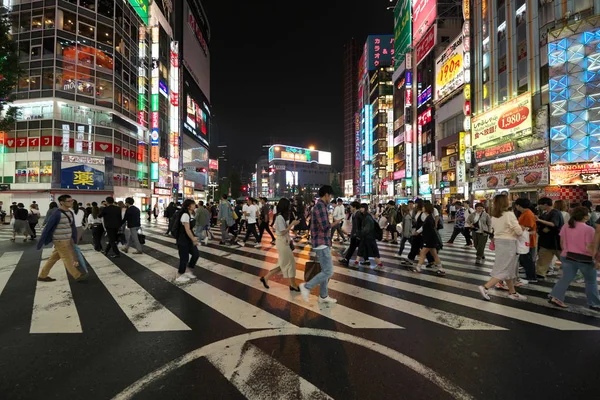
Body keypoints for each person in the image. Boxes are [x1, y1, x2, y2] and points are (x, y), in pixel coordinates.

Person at [549, 206, 600, 311]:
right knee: (590, 281)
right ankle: (594, 303)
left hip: (567, 256)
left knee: (566, 278)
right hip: (584, 258)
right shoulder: (589, 229)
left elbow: (562, 243)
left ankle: (556, 297)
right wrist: (596, 258)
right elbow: (588, 247)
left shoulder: (566, 226)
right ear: (586, 216)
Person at [477, 194, 526, 301]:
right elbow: (518, 231)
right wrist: (522, 228)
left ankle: (512, 292)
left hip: (499, 242)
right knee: (505, 268)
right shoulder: (509, 214)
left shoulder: (494, 216)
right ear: (505, 202)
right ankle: (485, 287)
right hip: (509, 243)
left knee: (509, 268)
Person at [299, 185, 338, 304]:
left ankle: (323, 296)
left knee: (325, 270)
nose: (330, 198)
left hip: (321, 241)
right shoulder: (320, 206)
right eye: (330, 196)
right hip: (322, 242)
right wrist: (335, 223)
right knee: (328, 271)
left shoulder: (320, 206)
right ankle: (307, 287)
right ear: (326, 194)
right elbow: (325, 226)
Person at [36, 194, 87, 282]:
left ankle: (42, 275)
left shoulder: (70, 212)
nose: (71, 202)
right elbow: (48, 227)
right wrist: (41, 241)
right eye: (69, 201)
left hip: (67, 239)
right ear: (61, 202)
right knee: (67, 257)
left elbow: (72, 226)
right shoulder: (57, 213)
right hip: (60, 240)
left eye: (72, 201)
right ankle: (77, 275)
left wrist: (73, 239)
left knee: (53, 258)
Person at [259, 197, 300, 291]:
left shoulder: (281, 216)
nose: (289, 208)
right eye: (288, 206)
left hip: (284, 241)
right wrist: (292, 224)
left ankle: (265, 278)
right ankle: (293, 285)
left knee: (283, 263)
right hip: (282, 242)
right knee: (290, 263)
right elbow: (282, 232)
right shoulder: (279, 217)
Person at [536, 197, 564, 279]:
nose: (539, 206)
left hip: (556, 240)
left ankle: (571, 273)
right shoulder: (544, 214)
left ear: (545, 204)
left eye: (540, 205)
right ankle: (540, 274)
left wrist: (539, 220)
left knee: (563, 258)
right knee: (543, 259)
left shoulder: (556, 213)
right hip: (545, 241)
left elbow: (554, 224)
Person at [413, 203, 445, 275]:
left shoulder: (429, 218)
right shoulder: (429, 217)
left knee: (422, 252)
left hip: (429, 239)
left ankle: (418, 268)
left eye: (424, 207)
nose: (423, 208)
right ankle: (441, 268)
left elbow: (430, 230)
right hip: (431, 239)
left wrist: (422, 236)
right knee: (434, 254)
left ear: (427, 209)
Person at [175, 199, 199, 283]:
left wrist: (193, 237)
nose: (194, 205)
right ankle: (179, 275)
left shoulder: (190, 214)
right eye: (193, 204)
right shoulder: (185, 215)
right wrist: (193, 239)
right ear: (189, 206)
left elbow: (191, 229)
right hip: (183, 239)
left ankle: (188, 270)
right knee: (184, 258)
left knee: (196, 254)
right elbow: (187, 229)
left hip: (189, 238)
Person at [513, 198, 538, 282]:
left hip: (527, 240)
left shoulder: (527, 214)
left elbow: (529, 228)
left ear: (519, 205)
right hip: (524, 240)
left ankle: (531, 277)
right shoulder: (525, 213)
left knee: (527, 259)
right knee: (524, 258)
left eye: (516, 205)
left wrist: (517, 227)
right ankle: (529, 274)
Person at [357, 203, 383, 267]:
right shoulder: (365, 215)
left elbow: (367, 229)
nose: (360, 209)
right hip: (366, 237)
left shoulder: (367, 217)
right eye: (360, 208)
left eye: (362, 208)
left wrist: (359, 233)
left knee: (374, 251)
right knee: (361, 249)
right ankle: (357, 262)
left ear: (365, 208)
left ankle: (379, 264)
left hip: (369, 237)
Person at [339, 201, 362, 266]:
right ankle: (346, 259)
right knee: (353, 247)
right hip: (355, 234)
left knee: (360, 248)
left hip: (356, 235)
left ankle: (348, 260)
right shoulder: (355, 214)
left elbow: (358, 226)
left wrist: (355, 234)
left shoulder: (357, 214)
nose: (350, 208)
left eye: (351, 207)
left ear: (354, 207)